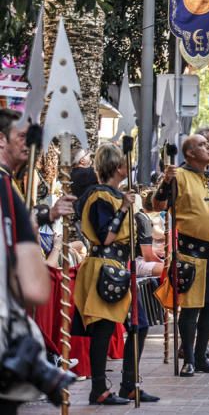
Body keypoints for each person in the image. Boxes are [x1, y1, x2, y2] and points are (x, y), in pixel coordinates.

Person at [71, 143, 158, 404]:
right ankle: (99, 389)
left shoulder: (116, 195)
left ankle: (129, 384)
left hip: (121, 268)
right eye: (125, 164)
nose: (127, 168)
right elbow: (105, 236)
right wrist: (122, 209)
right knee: (104, 329)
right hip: (104, 268)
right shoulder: (100, 197)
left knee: (139, 325)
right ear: (118, 167)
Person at [155, 133, 209, 377]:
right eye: (203, 145)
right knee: (191, 309)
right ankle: (189, 359)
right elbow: (158, 205)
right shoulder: (178, 175)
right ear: (190, 153)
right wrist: (165, 183)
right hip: (192, 254)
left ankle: (201, 355)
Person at [1, 109, 65, 413]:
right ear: (1, 140)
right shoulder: (5, 187)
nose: (29, 145)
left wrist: (45, 216)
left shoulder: (10, 186)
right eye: (22, 137)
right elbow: (34, 287)